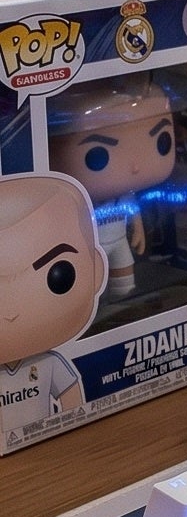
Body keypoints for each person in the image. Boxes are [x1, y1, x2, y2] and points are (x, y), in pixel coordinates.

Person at [0, 176, 107, 451]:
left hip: (49, 444)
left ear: (96, 270)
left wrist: (74, 432)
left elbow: (71, 396)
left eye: (59, 277)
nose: (10, 313)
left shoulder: (50, 363)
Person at [48, 78, 177, 301]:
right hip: (91, 248)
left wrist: (138, 229)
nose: (135, 167)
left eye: (162, 142)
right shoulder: (79, 201)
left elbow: (133, 212)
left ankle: (122, 302)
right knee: (91, 287)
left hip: (119, 241)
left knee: (124, 278)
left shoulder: (125, 194)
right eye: (97, 156)